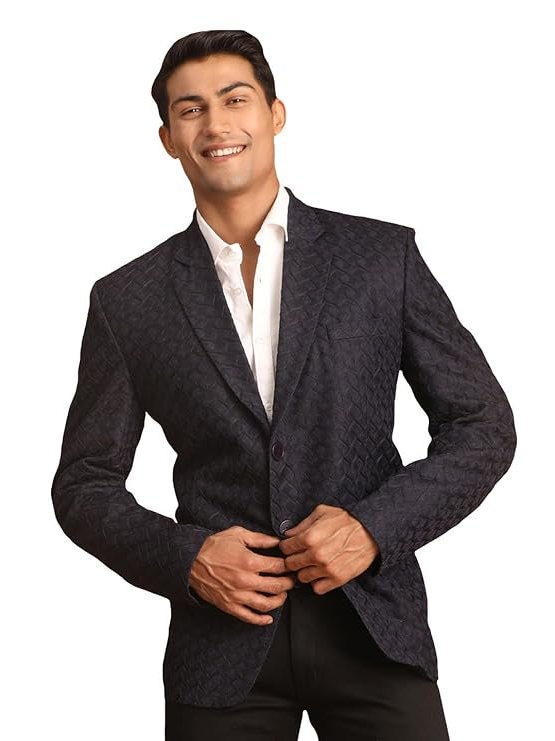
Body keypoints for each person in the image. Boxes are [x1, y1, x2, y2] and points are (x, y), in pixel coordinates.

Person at [51, 29, 517, 741]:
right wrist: (187, 558)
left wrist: (373, 528)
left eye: (235, 99)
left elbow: (482, 425)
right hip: (220, 649)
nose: (216, 124)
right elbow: (83, 483)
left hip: (373, 627)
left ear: (275, 114)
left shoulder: (379, 257)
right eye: (190, 109)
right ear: (168, 138)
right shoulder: (128, 299)